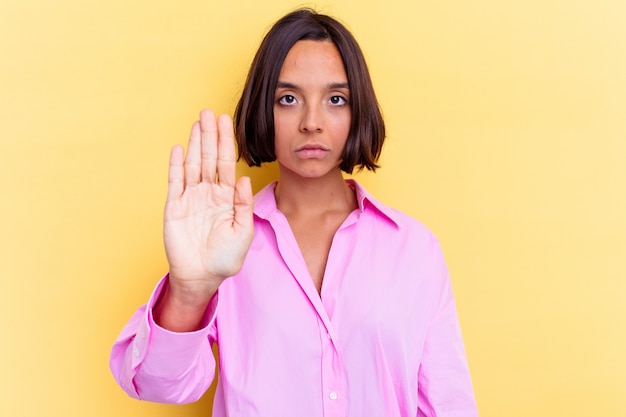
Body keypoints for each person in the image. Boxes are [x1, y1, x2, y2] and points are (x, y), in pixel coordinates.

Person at [110, 8, 478, 417]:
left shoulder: (413, 249)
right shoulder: (224, 244)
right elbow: (157, 384)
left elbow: (448, 404)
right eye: (288, 99)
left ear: (358, 112)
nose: (312, 122)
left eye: (335, 99)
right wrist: (189, 290)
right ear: (262, 109)